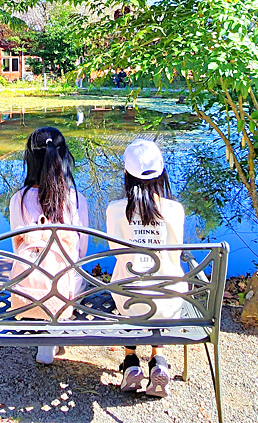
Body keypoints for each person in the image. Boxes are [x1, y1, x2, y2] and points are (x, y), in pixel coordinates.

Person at [106, 138, 186, 397]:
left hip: (129, 299)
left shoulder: (115, 210)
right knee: (162, 285)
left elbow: (116, 254)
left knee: (127, 284)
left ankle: (130, 361)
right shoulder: (174, 210)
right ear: (162, 172)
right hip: (167, 299)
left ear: (126, 174)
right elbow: (177, 255)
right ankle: (158, 359)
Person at [8, 126, 90, 365]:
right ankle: (54, 334)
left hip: (29, 289)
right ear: (63, 157)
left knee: (37, 270)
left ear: (30, 160)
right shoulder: (75, 199)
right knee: (74, 272)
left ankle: (46, 338)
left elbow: (17, 248)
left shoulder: (18, 199)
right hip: (65, 290)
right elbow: (81, 251)